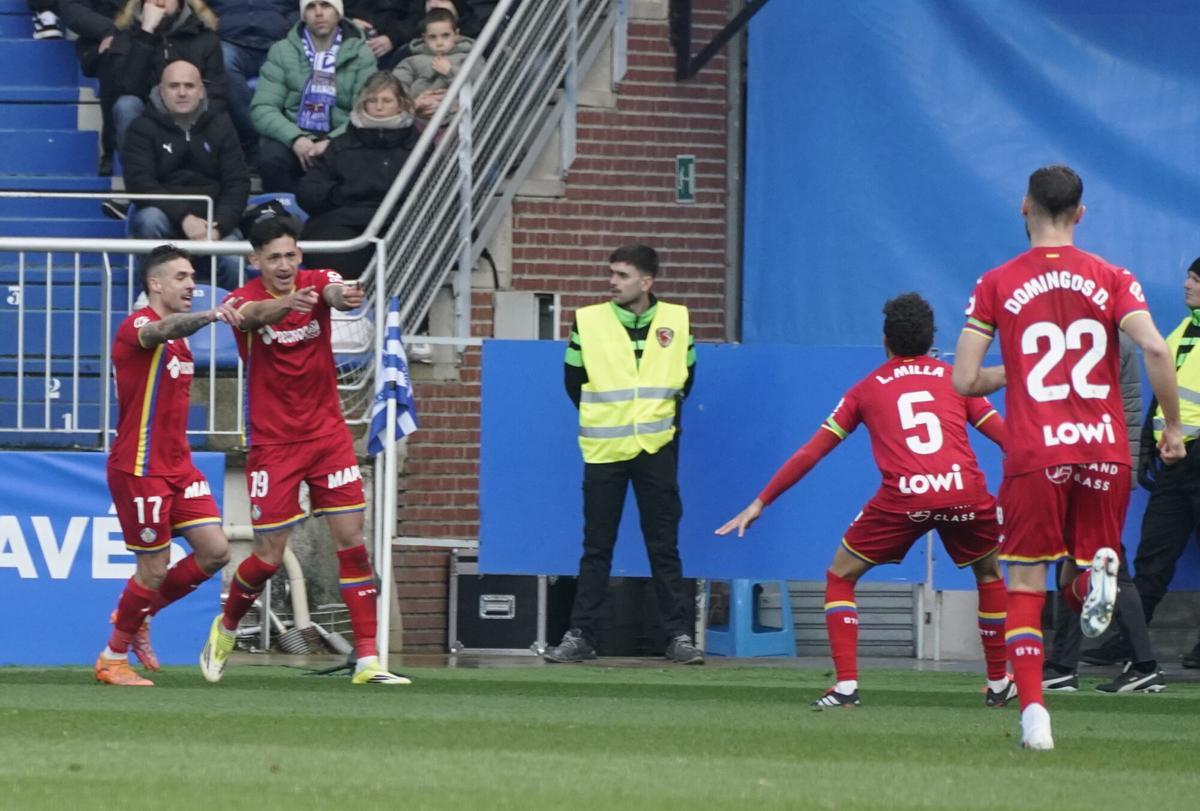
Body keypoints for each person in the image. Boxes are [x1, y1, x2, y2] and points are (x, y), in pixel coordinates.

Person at [952, 164, 1185, 750]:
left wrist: (1019, 372)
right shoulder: (1113, 277)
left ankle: (1035, 715)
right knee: (1087, 566)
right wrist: (1173, 427)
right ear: (1080, 213)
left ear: (1023, 206)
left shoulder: (996, 283)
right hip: (1105, 450)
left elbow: (963, 380)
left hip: (1036, 452)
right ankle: (1094, 578)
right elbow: (1155, 347)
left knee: (1027, 582)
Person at [717, 293, 1012, 709]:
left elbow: (811, 452)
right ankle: (999, 682)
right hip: (964, 491)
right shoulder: (955, 380)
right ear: (931, 341)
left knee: (840, 576)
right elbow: (1004, 436)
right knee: (988, 573)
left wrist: (761, 500)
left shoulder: (865, 390)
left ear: (886, 340)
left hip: (905, 497)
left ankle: (847, 686)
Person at [201, 216, 409, 686]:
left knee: (352, 543)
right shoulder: (244, 300)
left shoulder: (317, 283)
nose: (284, 265)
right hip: (274, 445)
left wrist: (344, 297)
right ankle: (227, 626)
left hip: (327, 437)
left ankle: (368, 661)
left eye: (291, 255)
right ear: (255, 261)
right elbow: (254, 318)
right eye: (273, 257)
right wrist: (287, 306)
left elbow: (334, 294)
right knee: (269, 556)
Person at [542, 245, 703, 666]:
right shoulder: (588, 321)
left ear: (647, 282)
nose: (612, 282)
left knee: (663, 546)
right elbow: (573, 380)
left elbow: (685, 379)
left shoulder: (677, 320)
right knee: (596, 547)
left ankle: (678, 636)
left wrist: (651, 422)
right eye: (612, 273)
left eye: (622, 275)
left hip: (656, 447)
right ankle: (581, 635)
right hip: (604, 449)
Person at [96, 244, 242, 686]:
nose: (192, 284)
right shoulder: (137, 327)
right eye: (181, 277)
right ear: (154, 284)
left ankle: (139, 613)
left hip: (179, 467)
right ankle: (112, 659)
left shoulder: (180, 341)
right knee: (154, 568)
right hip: (140, 467)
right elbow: (160, 329)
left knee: (216, 551)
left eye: (193, 276)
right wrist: (212, 316)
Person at [1085, 258, 1200, 671]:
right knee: (1153, 554)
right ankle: (1128, 641)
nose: (1186, 284)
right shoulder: (1182, 331)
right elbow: (1165, 387)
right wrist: (1152, 443)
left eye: (1195, 279)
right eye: (1188, 275)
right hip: (1176, 460)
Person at [1043, 333, 1166, 694]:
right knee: (1081, 558)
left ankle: (1143, 665)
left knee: (1105, 563)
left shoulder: (1097, 341)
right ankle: (1063, 664)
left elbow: (1086, 408)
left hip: (1091, 463)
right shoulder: (1112, 340)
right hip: (1098, 461)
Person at [123, 60, 250, 290]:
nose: (182, 93)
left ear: (201, 91)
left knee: (233, 259)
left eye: (189, 86)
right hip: (166, 218)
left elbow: (238, 183)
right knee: (149, 219)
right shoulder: (142, 127)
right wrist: (184, 218)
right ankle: (150, 305)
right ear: (161, 91)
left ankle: (237, 320)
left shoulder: (222, 124)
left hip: (214, 222)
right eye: (174, 86)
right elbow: (139, 184)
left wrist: (218, 227)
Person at [296, 71, 419, 279]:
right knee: (332, 259)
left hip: (401, 223)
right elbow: (309, 191)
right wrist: (339, 194)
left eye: (386, 100)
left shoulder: (419, 146)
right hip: (344, 221)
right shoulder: (340, 145)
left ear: (401, 104)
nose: (379, 107)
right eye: (372, 100)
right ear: (363, 103)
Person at [250, 0, 377, 195]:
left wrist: (331, 142)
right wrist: (296, 139)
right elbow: (262, 108)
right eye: (311, 7)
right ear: (303, 15)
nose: (318, 13)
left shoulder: (361, 54)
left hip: (339, 139)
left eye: (325, 5)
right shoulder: (282, 51)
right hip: (293, 139)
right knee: (271, 158)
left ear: (338, 12)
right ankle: (283, 215)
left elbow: (365, 111)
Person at [107, 0, 229, 157]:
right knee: (126, 106)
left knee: (215, 113)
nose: (159, 1)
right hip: (149, 122)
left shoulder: (202, 33)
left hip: (193, 121)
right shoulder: (127, 33)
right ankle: (138, 177)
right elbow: (126, 87)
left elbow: (217, 93)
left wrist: (184, 117)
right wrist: (146, 33)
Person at [207, 0, 298, 170]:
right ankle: (251, 137)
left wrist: (287, 25)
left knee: (287, 63)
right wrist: (209, 19)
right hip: (231, 40)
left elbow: (300, 7)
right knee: (223, 60)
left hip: (275, 41)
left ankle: (272, 141)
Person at [58, 0, 127, 175]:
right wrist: (111, 32)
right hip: (99, 39)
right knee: (115, 60)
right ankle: (113, 152)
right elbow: (71, 7)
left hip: (154, 34)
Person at [392, 7, 474, 123]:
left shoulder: (470, 56)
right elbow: (396, 88)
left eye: (445, 35)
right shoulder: (411, 61)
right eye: (432, 37)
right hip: (418, 120)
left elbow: (480, 84)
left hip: (459, 121)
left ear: (456, 34)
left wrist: (450, 72)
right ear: (424, 37)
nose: (439, 43)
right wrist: (415, 103)